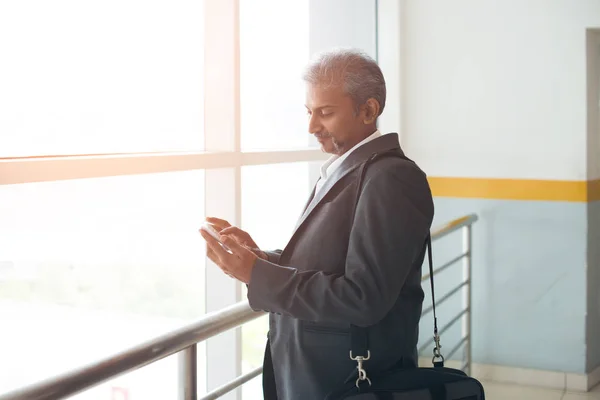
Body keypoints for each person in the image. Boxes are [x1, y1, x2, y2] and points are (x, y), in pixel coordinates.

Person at [200, 48, 434, 400]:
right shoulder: (349, 170)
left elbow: (363, 297)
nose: (312, 126)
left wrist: (256, 275)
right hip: (318, 376)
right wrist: (258, 259)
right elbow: (330, 265)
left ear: (369, 110)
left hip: (348, 381)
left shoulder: (390, 178)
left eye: (325, 113)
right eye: (310, 112)